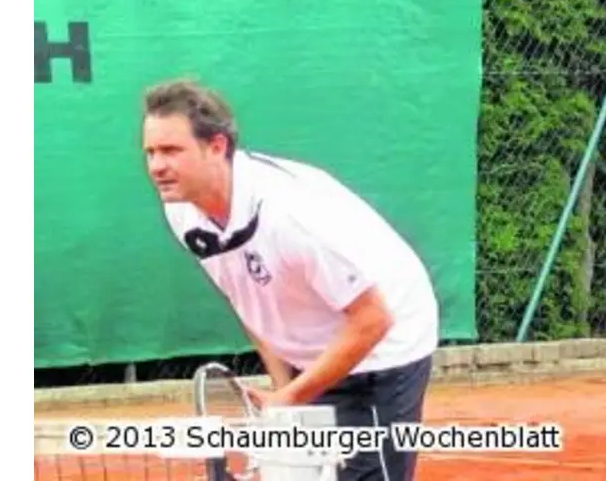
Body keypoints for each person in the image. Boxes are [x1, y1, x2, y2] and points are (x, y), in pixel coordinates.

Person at [141, 79, 439, 481]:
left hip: (384, 346)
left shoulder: (291, 216)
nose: (157, 166)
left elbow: (374, 319)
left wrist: (293, 395)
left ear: (216, 147)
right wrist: (284, 388)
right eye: (151, 152)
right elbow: (249, 297)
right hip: (315, 342)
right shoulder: (183, 210)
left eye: (172, 151)